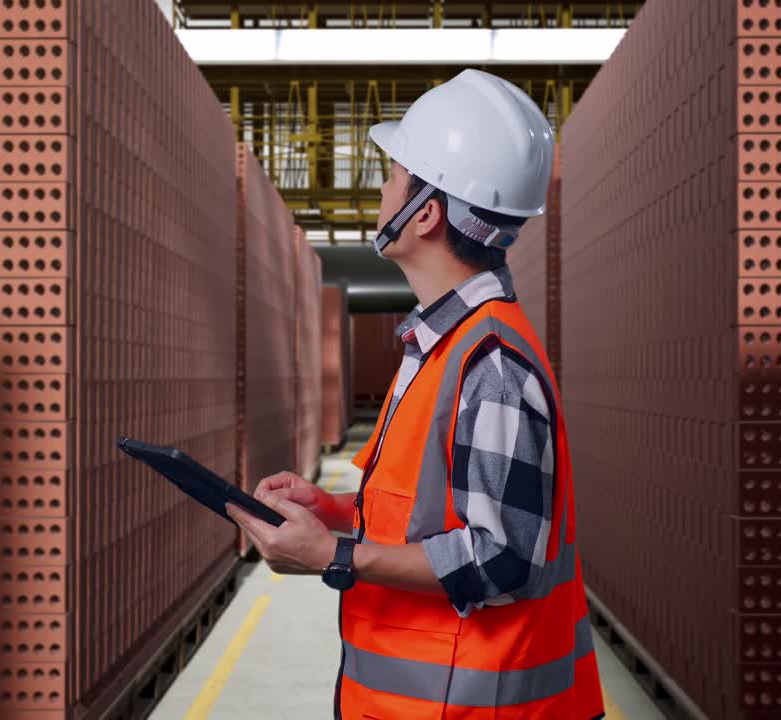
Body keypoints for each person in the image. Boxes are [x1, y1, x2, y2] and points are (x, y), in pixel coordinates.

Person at [226, 68, 605, 720]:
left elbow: (507, 559)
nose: (382, 187)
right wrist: (335, 509)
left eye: (394, 174)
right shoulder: (440, 347)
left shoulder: (491, 366)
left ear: (425, 212)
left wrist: (335, 555)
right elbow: (432, 508)